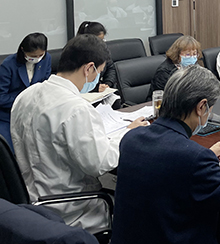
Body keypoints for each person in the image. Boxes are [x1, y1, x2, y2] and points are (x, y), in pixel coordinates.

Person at [111, 65, 220, 244]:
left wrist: (207, 155)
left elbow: (165, 168)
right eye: (210, 108)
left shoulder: (131, 138)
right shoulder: (194, 158)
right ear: (201, 107)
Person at [11, 34, 148, 230]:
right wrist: (127, 134)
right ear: (89, 68)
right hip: (71, 209)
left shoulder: (25, 96)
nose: (97, 78)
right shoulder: (76, 109)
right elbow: (99, 163)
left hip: (30, 202)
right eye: (99, 71)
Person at [0, 33, 51, 151]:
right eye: (33, 56)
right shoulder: (8, 65)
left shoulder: (46, 58)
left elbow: (46, 84)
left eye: (40, 55)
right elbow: (1, 97)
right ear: (23, 50)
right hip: (9, 115)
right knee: (10, 150)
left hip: (35, 112)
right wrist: (25, 99)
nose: (37, 58)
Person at [148, 35, 202, 100]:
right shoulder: (164, 72)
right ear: (177, 54)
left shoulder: (194, 66)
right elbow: (166, 97)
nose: (192, 57)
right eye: (187, 54)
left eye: (194, 54)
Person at [77, 21, 116, 92]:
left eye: (102, 40)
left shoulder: (103, 50)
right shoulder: (75, 53)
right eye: (98, 40)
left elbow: (110, 67)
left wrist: (107, 83)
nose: (101, 43)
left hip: (101, 90)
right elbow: (74, 80)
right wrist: (95, 89)